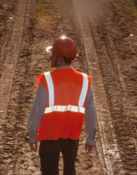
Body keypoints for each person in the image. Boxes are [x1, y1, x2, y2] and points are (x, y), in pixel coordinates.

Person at [27, 36, 97, 175]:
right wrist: (90, 138)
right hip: (72, 136)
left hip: (49, 136)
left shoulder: (47, 79)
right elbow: (91, 112)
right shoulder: (84, 80)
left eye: (52, 54)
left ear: (60, 58)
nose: (50, 58)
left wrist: (32, 134)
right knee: (70, 171)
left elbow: (38, 110)